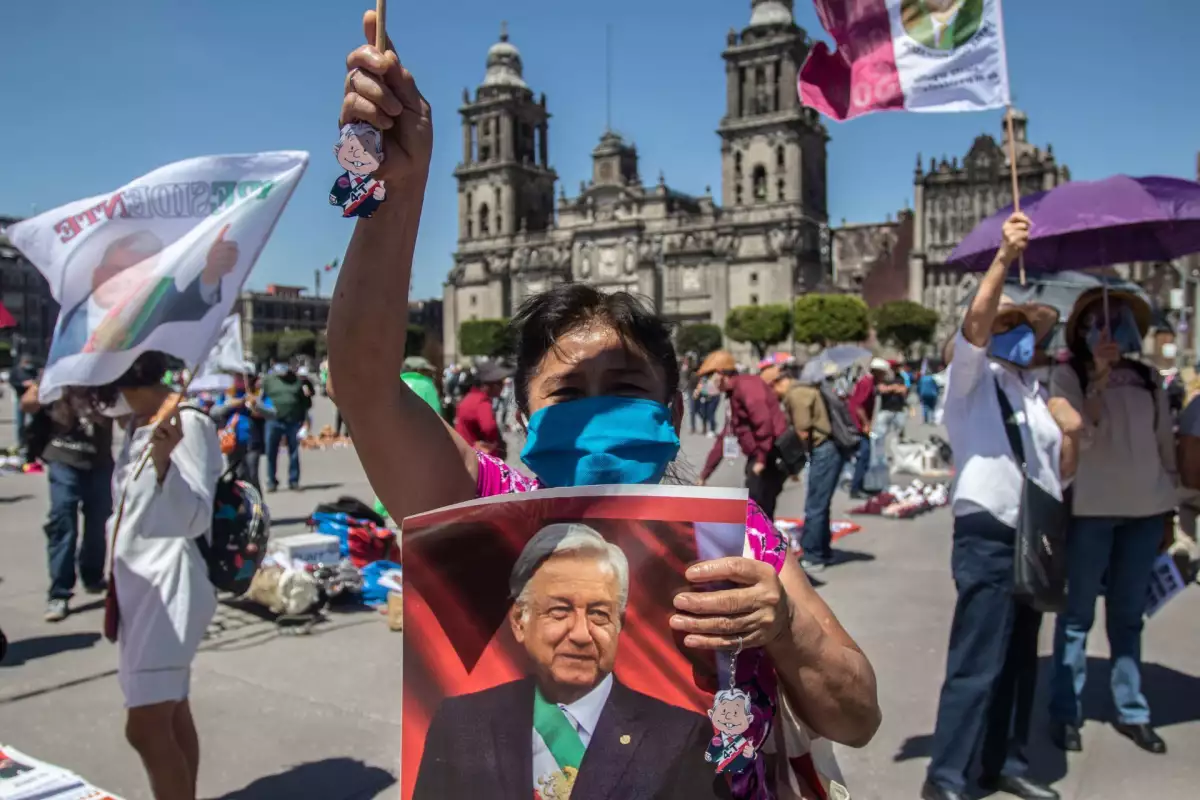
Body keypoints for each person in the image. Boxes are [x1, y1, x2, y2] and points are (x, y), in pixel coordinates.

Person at [326, 17, 880, 797]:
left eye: (622, 389)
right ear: (522, 412)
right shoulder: (484, 514)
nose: (594, 414)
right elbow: (363, 384)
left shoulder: (736, 541)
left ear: (674, 403)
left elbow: (856, 716)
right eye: (566, 392)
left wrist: (784, 631)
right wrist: (400, 188)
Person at [922, 213, 1082, 800]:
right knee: (977, 662)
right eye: (1008, 323)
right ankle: (946, 778)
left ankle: (1002, 761)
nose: (1020, 336)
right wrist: (1001, 258)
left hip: (1033, 535)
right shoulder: (970, 380)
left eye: (1027, 327)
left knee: (1018, 662)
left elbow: (1058, 474)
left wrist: (1073, 434)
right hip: (989, 531)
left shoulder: (1038, 394)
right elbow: (974, 328)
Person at [414, 523, 728, 800]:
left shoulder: (680, 738)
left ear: (618, 626)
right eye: (560, 611)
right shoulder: (461, 724)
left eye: (599, 614)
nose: (581, 634)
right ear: (520, 622)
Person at [89, 351, 222, 800]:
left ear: (138, 384)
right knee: (170, 712)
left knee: (145, 726)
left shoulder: (189, 423)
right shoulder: (136, 425)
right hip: (135, 586)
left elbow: (195, 516)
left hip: (170, 588)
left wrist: (165, 459)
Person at [1047, 288, 1174, 756]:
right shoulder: (1068, 375)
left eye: (1118, 321)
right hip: (1091, 511)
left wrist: (1171, 508)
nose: (1109, 329)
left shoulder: (1146, 377)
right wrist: (1097, 379)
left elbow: (1164, 444)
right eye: (1098, 321)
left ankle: (1132, 709)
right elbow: (1081, 435)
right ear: (1081, 331)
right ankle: (1065, 712)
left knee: (1127, 617)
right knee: (1076, 616)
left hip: (1145, 509)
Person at [20, 381, 114, 621]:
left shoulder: (108, 374)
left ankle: (92, 575)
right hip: (63, 459)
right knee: (63, 522)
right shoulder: (58, 375)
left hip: (99, 462)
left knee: (98, 523)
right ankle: (59, 592)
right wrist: (48, 388)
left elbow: (125, 415)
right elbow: (27, 404)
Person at [766, 363, 846, 573]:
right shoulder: (804, 389)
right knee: (821, 502)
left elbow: (802, 431)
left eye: (771, 388)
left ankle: (813, 554)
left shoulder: (797, 394)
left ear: (779, 382)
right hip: (827, 448)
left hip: (823, 449)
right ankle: (823, 550)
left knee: (815, 505)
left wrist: (793, 459)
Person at [695, 352, 789, 520]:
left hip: (770, 454)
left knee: (759, 507)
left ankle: (763, 544)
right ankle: (761, 542)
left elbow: (764, 422)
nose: (706, 383)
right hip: (760, 455)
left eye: (708, 377)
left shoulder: (747, 386)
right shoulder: (732, 394)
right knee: (757, 507)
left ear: (720, 374)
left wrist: (760, 459)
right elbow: (725, 437)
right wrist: (705, 474)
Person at [210, 375, 274, 491]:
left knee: (252, 476)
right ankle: (240, 506)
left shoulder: (258, 394)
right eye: (237, 378)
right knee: (236, 477)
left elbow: (272, 413)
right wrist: (231, 404)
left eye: (242, 378)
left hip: (252, 442)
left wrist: (256, 405)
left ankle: (257, 506)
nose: (239, 381)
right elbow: (214, 412)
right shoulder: (228, 394)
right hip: (231, 442)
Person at [260, 358, 310, 491]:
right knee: (271, 452)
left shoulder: (296, 381)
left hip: (292, 421)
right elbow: (260, 399)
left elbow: (305, 403)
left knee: (293, 452)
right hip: (273, 421)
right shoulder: (268, 381)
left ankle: (293, 480)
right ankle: (271, 481)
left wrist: (305, 421)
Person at [847, 359, 890, 498]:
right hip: (858, 425)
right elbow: (859, 406)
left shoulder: (870, 383)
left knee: (864, 455)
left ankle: (859, 485)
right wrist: (866, 424)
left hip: (859, 424)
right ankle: (855, 488)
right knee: (863, 455)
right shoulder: (866, 382)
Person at [454, 362, 510, 459]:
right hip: (478, 458)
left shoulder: (469, 397)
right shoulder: (482, 402)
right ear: (489, 385)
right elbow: (489, 427)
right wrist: (494, 443)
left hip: (463, 452)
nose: (502, 386)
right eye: (500, 383)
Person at [873, 363, 910, 456]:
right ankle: (879, 454)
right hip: (885, 409)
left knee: (900, 433)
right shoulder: (884, 378)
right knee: (880, 434)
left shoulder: (902, 377)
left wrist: (891, 389)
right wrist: (893, 388)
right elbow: (881, 389)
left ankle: (899, 453)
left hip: (899, 409)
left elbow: (904, 389)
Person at [9, 354, 37, 459]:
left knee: (33, 422)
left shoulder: (32, 371)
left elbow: (36, 380)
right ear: (22, 362)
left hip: (31, 398)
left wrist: (33, 383)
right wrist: (22, 384)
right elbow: (12, 382)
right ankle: (21, 442)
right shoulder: (16, 371)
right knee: (20, 423)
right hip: (20, 398)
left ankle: (32, 441)